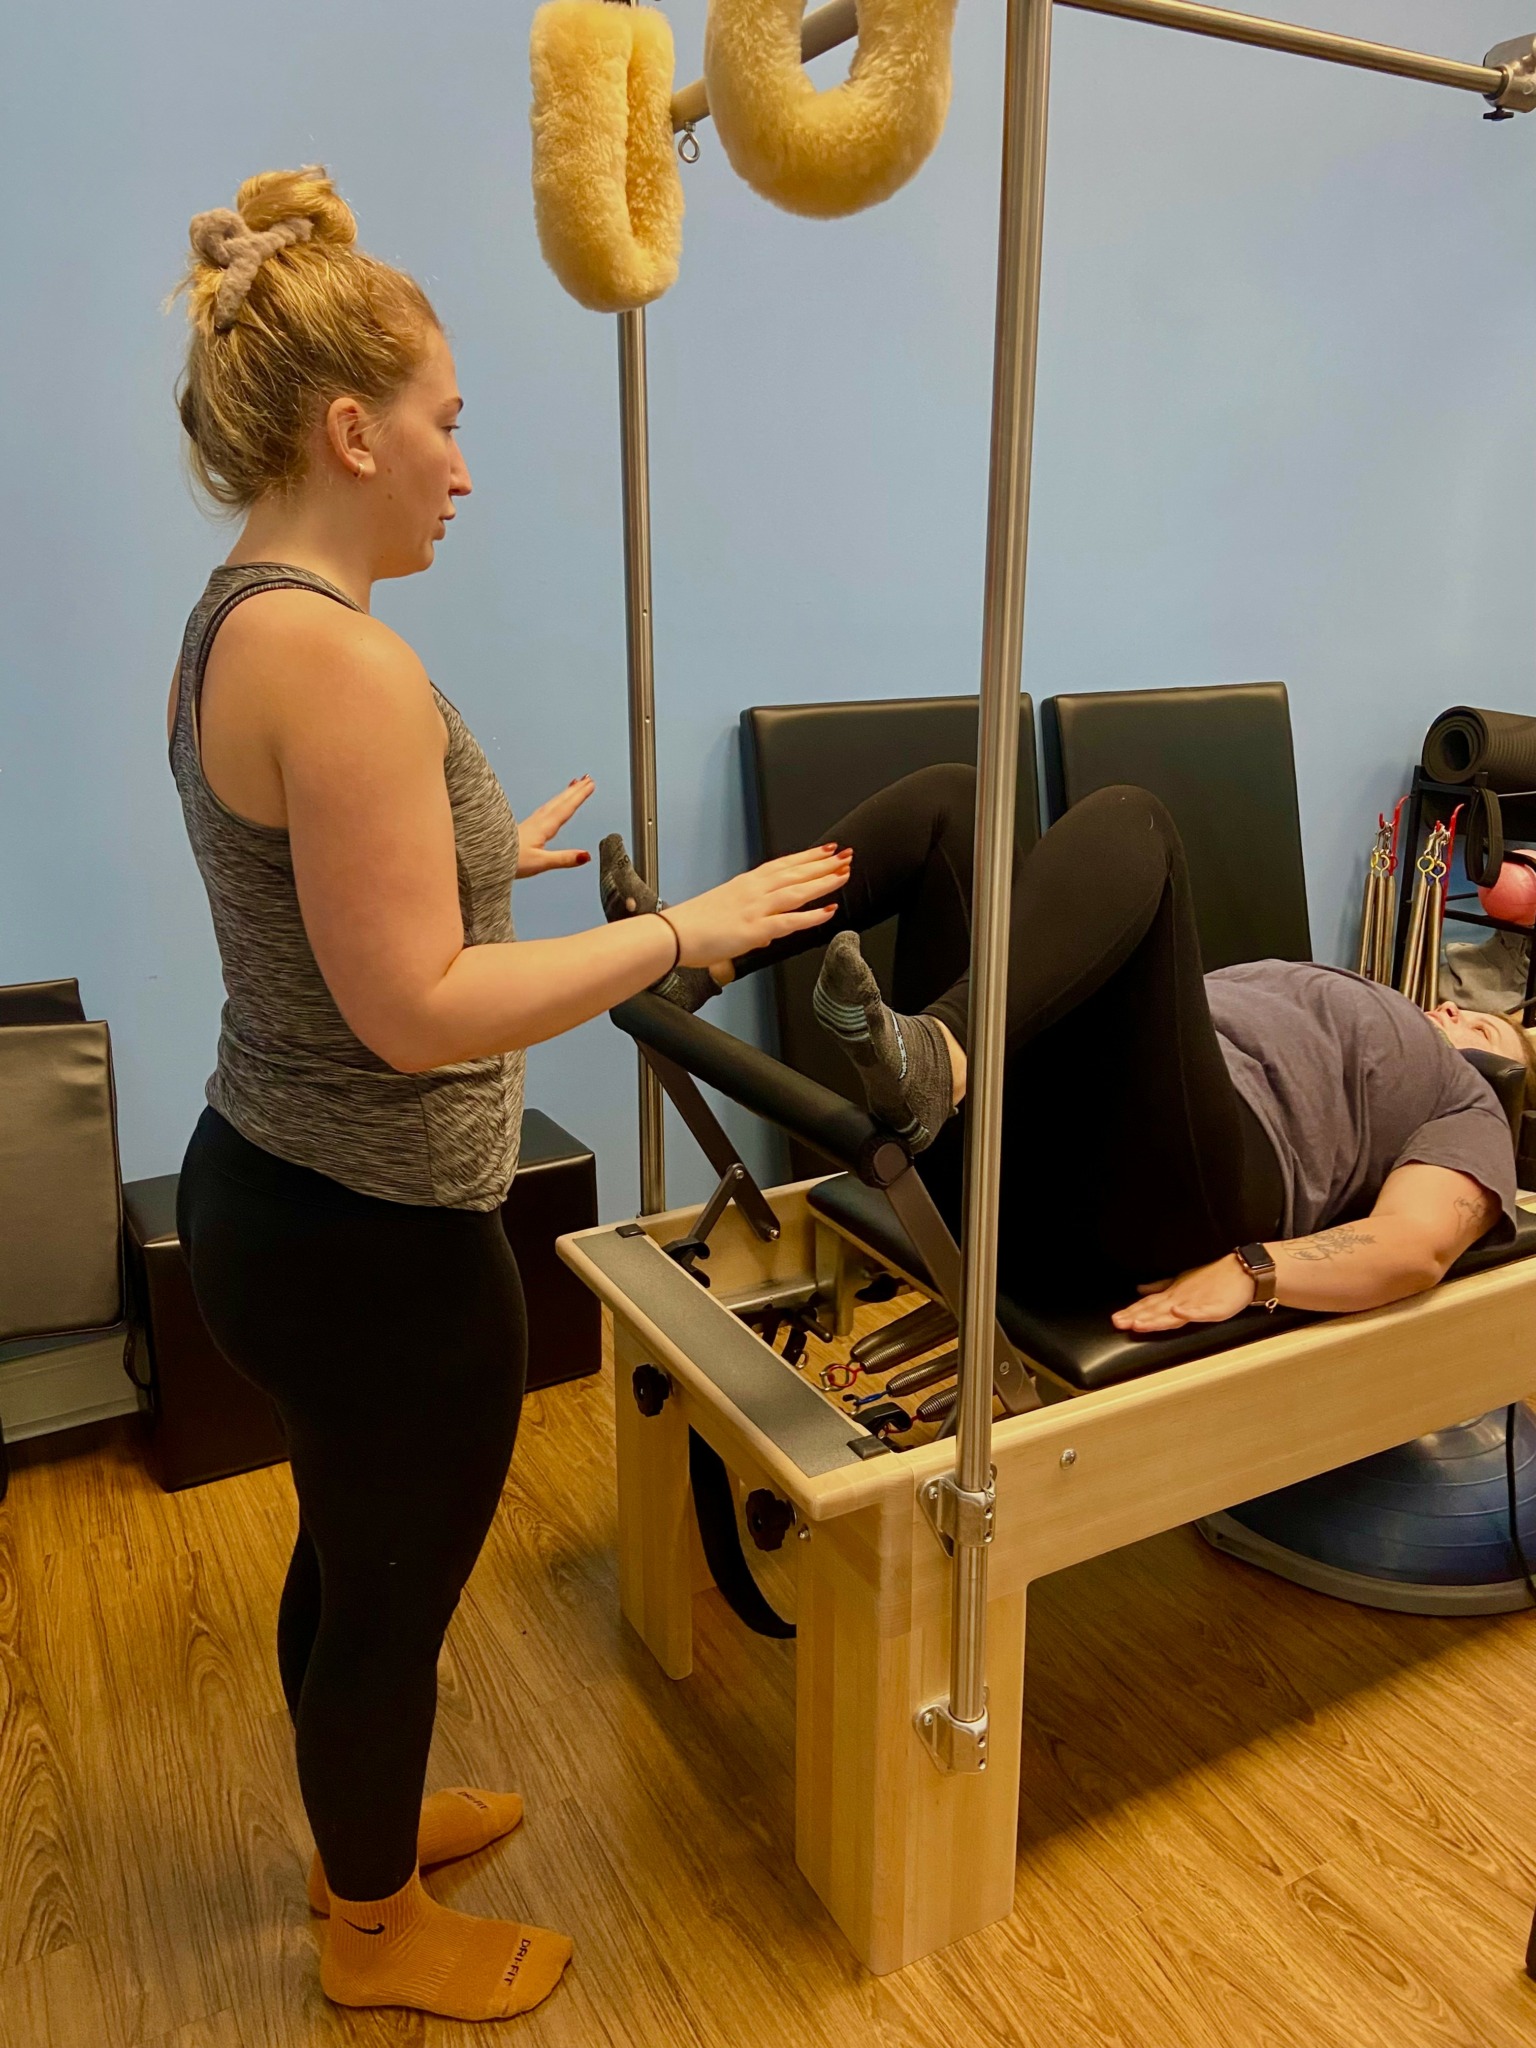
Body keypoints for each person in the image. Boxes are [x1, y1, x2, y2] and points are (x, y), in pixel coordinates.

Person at [168, 167, 848, 2024]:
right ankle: (372, 1931)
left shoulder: (240, 618)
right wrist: (684, 930)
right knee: (389, 1590)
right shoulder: (340, 656)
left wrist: (481, 865)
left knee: (348, 1547)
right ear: (351, 429)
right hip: (373, 1233)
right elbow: (415, 1013)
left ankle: (360, 1844)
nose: (462, 469)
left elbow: (319, 891)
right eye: (446, 423)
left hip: (270, 1187)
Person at [600, 763, 1534, 1333]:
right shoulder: (1340, 986)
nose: (1459, 1011)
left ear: (1499, 1071)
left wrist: (1256, 1273)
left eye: (1489, 1028)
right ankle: (696, 963)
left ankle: (944, 1058)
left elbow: (1415, 1246)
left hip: (1174, 1202)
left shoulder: (1464, 1103)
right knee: (957, 802)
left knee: (1135, 818)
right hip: (1031, 1156)